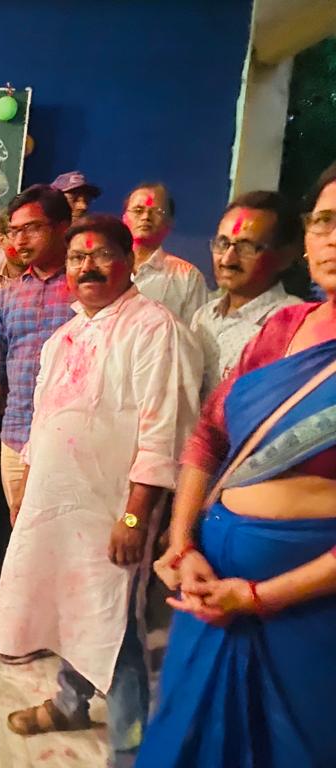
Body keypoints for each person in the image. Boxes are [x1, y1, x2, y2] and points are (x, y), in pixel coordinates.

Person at [137, 162, 336, 768]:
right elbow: (209, 434)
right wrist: (180, 542)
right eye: (325, 221)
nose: (334, 238)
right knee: (183, 739)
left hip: (302, 608)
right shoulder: (285, 326)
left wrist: (259, 597)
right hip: (209, 586)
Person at [0, 215, 202, 768]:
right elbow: (43, 421)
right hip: (57, 507)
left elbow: (164, 432)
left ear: (128, 262)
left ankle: (131, 749)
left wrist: (134, 518)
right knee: (71, 610)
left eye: (101, 255)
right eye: (77, 258)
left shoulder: (154, 329)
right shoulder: (65, 336)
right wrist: (28, 489)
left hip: (114, 513)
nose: (87, 267)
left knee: (115, 626)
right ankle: (69, 703)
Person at [0, 186, 75, 624]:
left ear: (62, 227)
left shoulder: (85, 288)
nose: (20, 240)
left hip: (72, 438)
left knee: (65, 533)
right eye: (14, 231)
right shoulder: (9, 294)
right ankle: (22, 606)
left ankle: (58, 616)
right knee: (21, 525)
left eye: (32, 228)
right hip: (15, 431)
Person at [191, 191, 302, 396]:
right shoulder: (204, 316)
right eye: (223, 244)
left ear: (285, 257)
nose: (227, 260)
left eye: (246, 247)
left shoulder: (294, 323)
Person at [123, 182, 208, 324]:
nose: (146, 217)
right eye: (138, 210)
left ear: (169, 223)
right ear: (124, 217)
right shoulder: (108, 268)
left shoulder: (188, 277)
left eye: (156, 211)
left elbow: (195, 333)